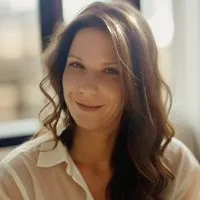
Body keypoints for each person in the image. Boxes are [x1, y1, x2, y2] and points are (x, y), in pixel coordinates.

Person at [0, 1, 199, 200]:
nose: (86, 87)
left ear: (139, 84)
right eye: (77, 65)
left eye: (110, 71)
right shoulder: (18, 177)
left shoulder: (176, 165)